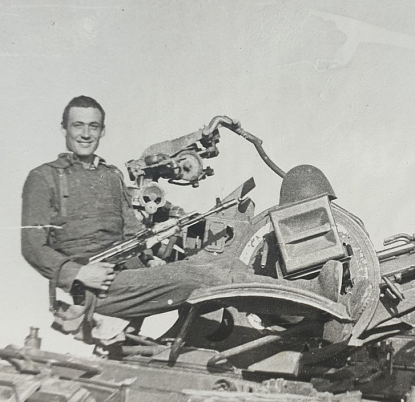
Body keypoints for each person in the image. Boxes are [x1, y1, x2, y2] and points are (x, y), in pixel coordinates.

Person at [21, 96, 342, 325]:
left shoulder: (110, 176)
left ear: (102, 130)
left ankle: (294, 312)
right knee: (202, 278)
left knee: (225, 263)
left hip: (125, 275)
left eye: (93, 126)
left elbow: (132, 235)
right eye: (77, 125)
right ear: (63, 129)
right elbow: (33, 247)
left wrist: (155, 255)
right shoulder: (44, 178)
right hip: (95, 288)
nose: (85, 134)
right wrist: (78, 273)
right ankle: (314, 298)